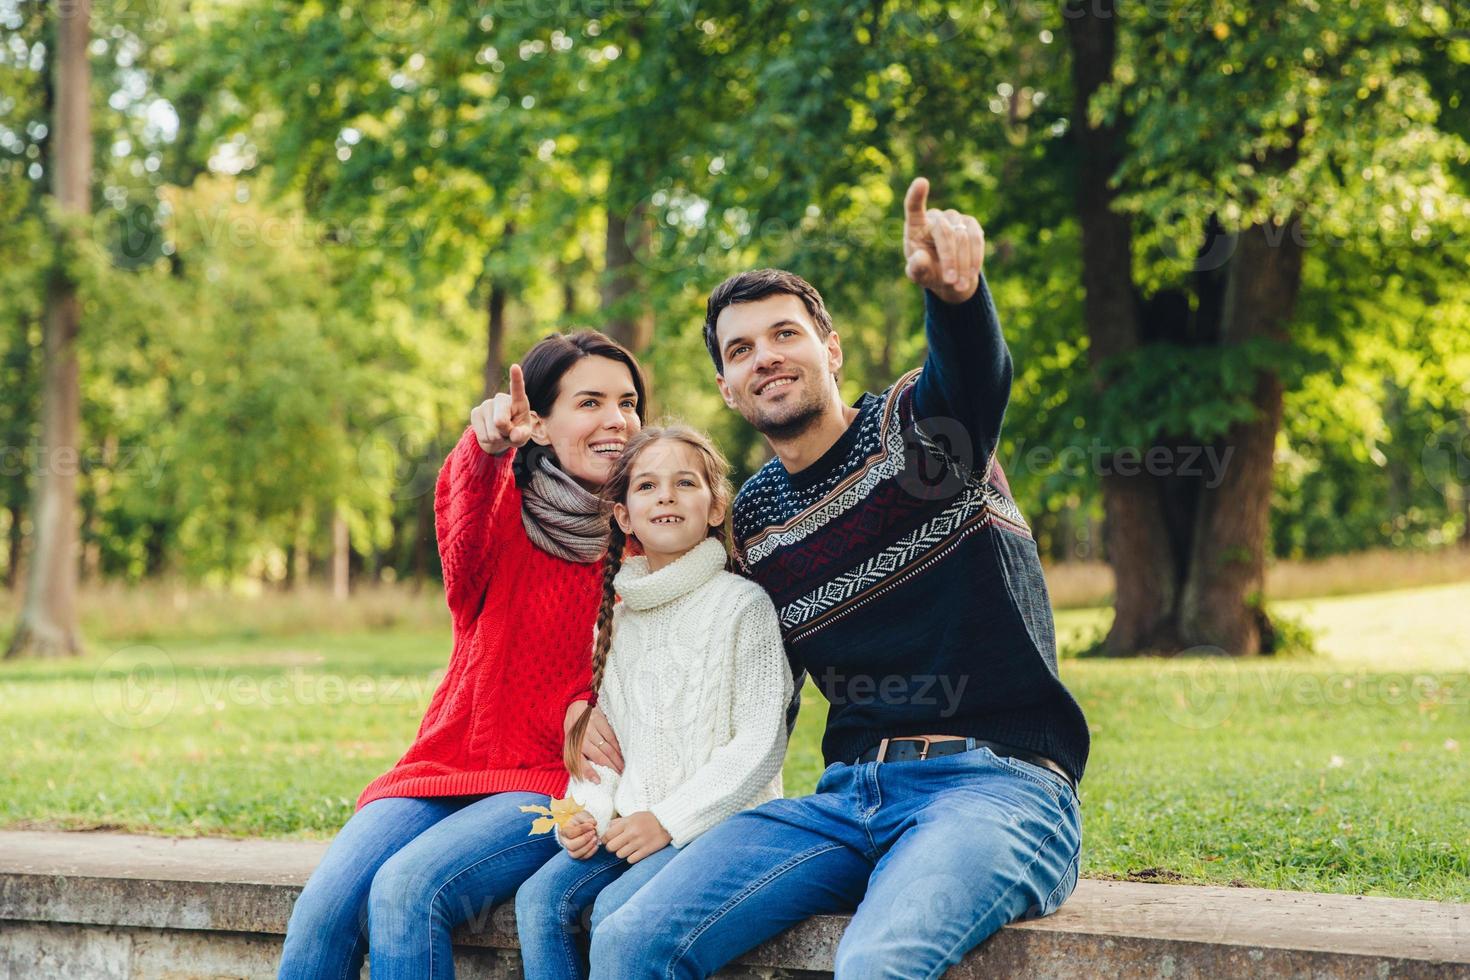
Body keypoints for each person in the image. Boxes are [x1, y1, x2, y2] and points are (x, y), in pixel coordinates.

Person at [587, 177, 1090, 978]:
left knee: (875, 964)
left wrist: (958, 302)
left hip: (994, 788)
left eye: (784, 334)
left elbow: (973, 379)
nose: (766, 358)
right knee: (626, 938)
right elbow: (678, 610)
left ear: (832, 348)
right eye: (740, 350)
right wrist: (587, 705)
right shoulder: (751, 518)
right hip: (846, 800)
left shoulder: (918, 436)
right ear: (726, 385)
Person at [278, 331, 647, 980]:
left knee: (407, 890)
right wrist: (485, 446)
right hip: (446, 762)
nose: (616, 420)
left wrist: (587, 705)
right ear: (539, 420)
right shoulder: (503, 514)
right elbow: (463, 514)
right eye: (590, 402)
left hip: (548, 781)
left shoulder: (650, 534)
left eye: (628, 401)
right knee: (323, 909)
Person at [514, 424, 792, 980]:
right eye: (646, 486)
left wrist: (666, 819)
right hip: (631, 828)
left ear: (715, 508)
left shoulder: (742, 606)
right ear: (623, 516)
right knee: (539, 900)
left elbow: (761, 742)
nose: (665, 495)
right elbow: (606, 747)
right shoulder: (618, 619)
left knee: (620, 913)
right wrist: (587, 816)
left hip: (714, 827)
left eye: (684, 482)